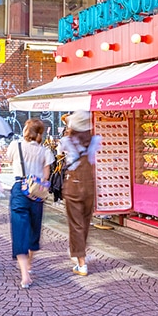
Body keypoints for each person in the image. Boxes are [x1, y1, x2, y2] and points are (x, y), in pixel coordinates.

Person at [3, 119, 54, 289]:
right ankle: (30, 265)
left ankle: (25, 274)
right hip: (36, 192)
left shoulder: (15, 145)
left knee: (19, 230)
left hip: (19, 188)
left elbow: (9, 161)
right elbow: (46, 176)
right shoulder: (45, 151)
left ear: (26, 130)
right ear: (41, 133)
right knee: (34, 229)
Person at [57, 110, 100, 276]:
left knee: (76, 223)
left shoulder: (66, 141)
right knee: (85, 221)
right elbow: (93, 161)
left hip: (73, 185)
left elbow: (59, 154)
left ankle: (81, 262)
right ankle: (78, 253)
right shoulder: (95, 140)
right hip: (89, 184)